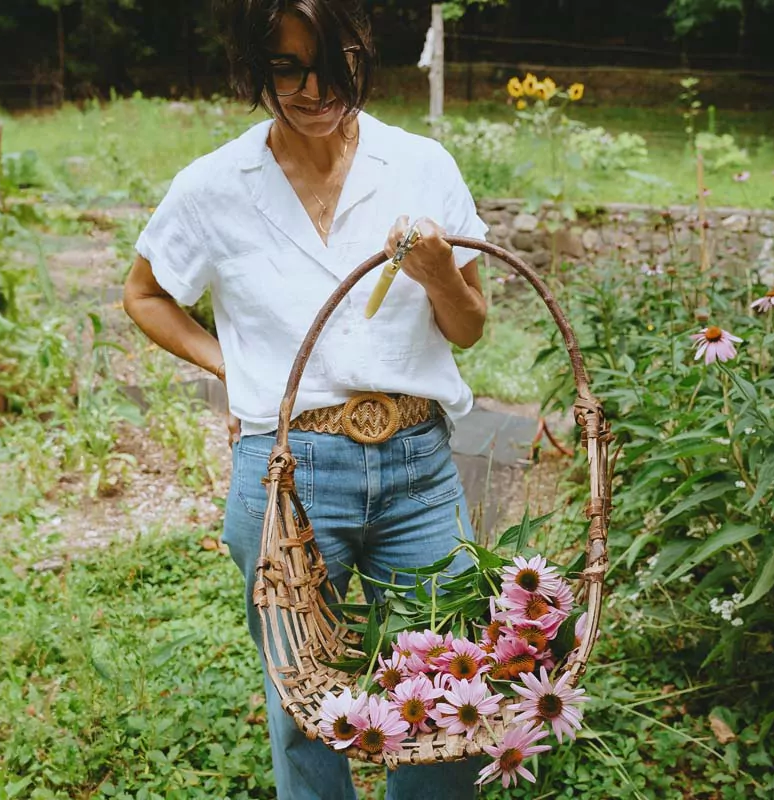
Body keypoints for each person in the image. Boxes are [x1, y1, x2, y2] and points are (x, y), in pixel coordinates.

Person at [121, 1, 489, 797]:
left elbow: (469, 327)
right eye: (288, 67)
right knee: (303, 709)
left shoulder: (422, 165)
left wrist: (434, 273)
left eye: (336, 60)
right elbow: (145, 294)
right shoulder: (215, 185)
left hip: (418, 472)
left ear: (364, 50)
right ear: (255, 65)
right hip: (286, 477)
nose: (317, 88)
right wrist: (239, 370)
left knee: (446, 699)